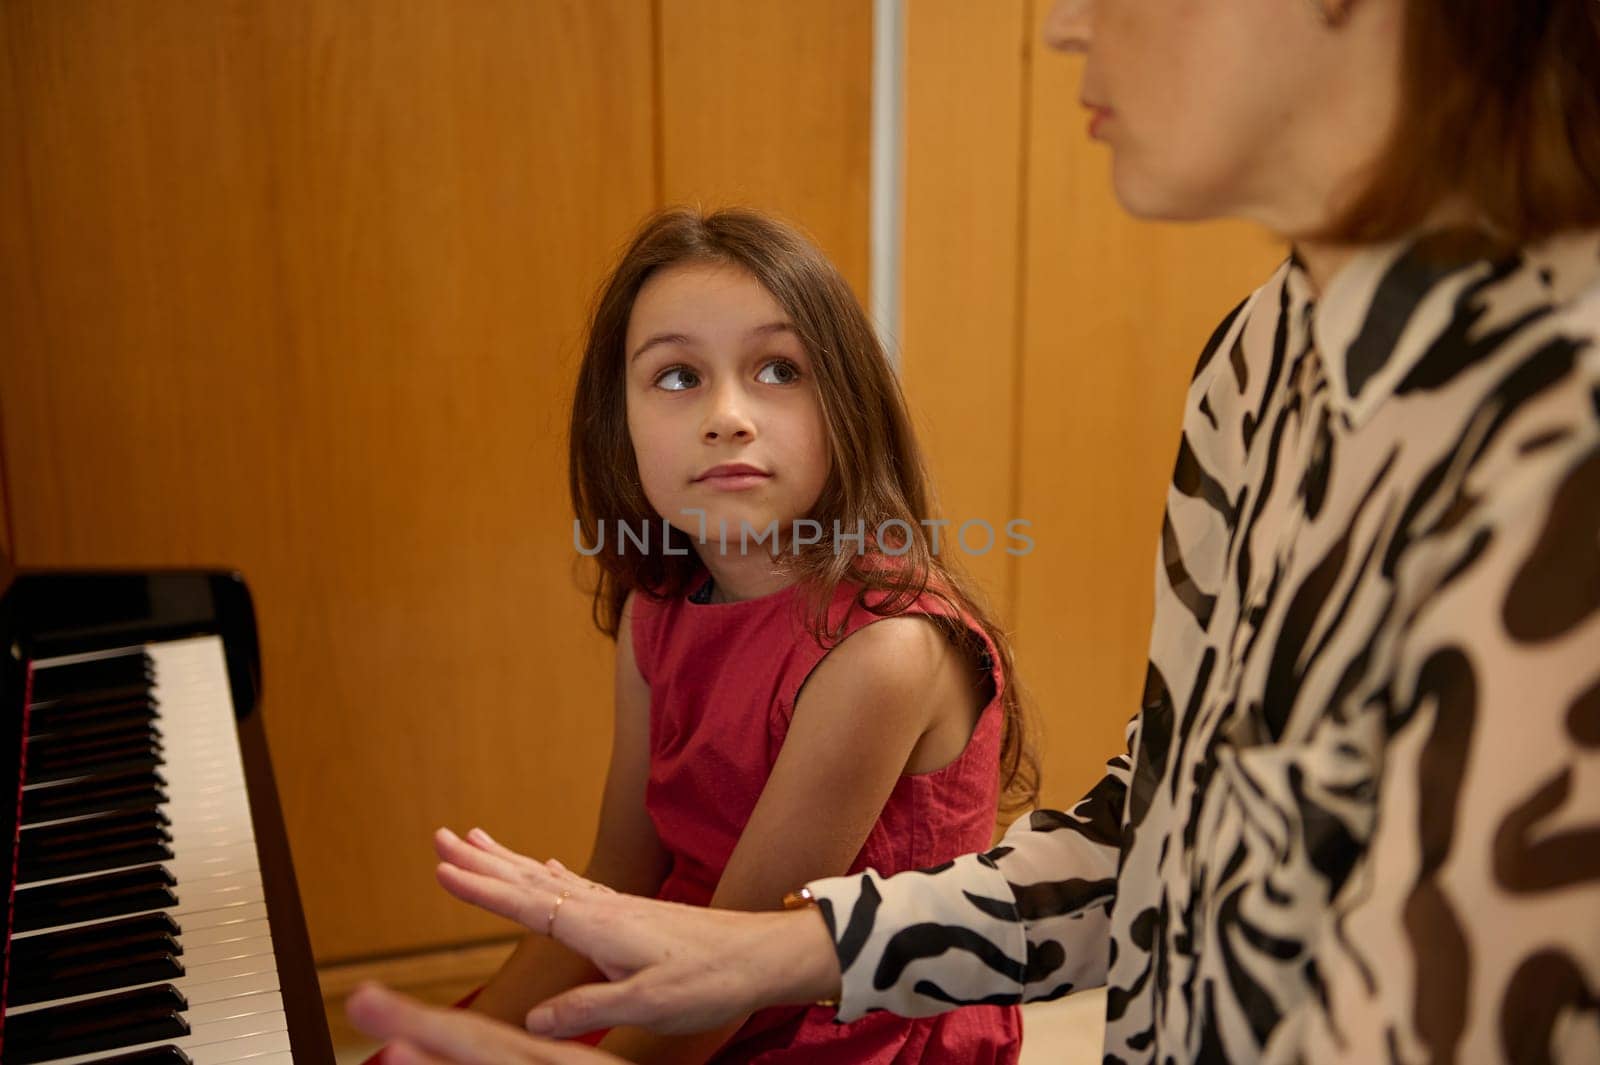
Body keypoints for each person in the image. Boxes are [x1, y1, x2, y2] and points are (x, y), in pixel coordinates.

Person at [348, 0, 1600, 1060]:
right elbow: (1161, 839)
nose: (1057, 24)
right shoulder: (1258, 357)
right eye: (673, 377)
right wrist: (759, 950)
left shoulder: (1563, 438)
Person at [426, 207, 1034, 1064]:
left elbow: (730, 981)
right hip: (679, 967)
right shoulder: (659, 607)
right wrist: (460, 1038)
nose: (727, 415)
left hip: (835, 1027)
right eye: (676, 377)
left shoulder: (884, 651)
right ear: (621, 422)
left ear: (849, 406)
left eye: (780, 368)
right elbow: (621, 873)